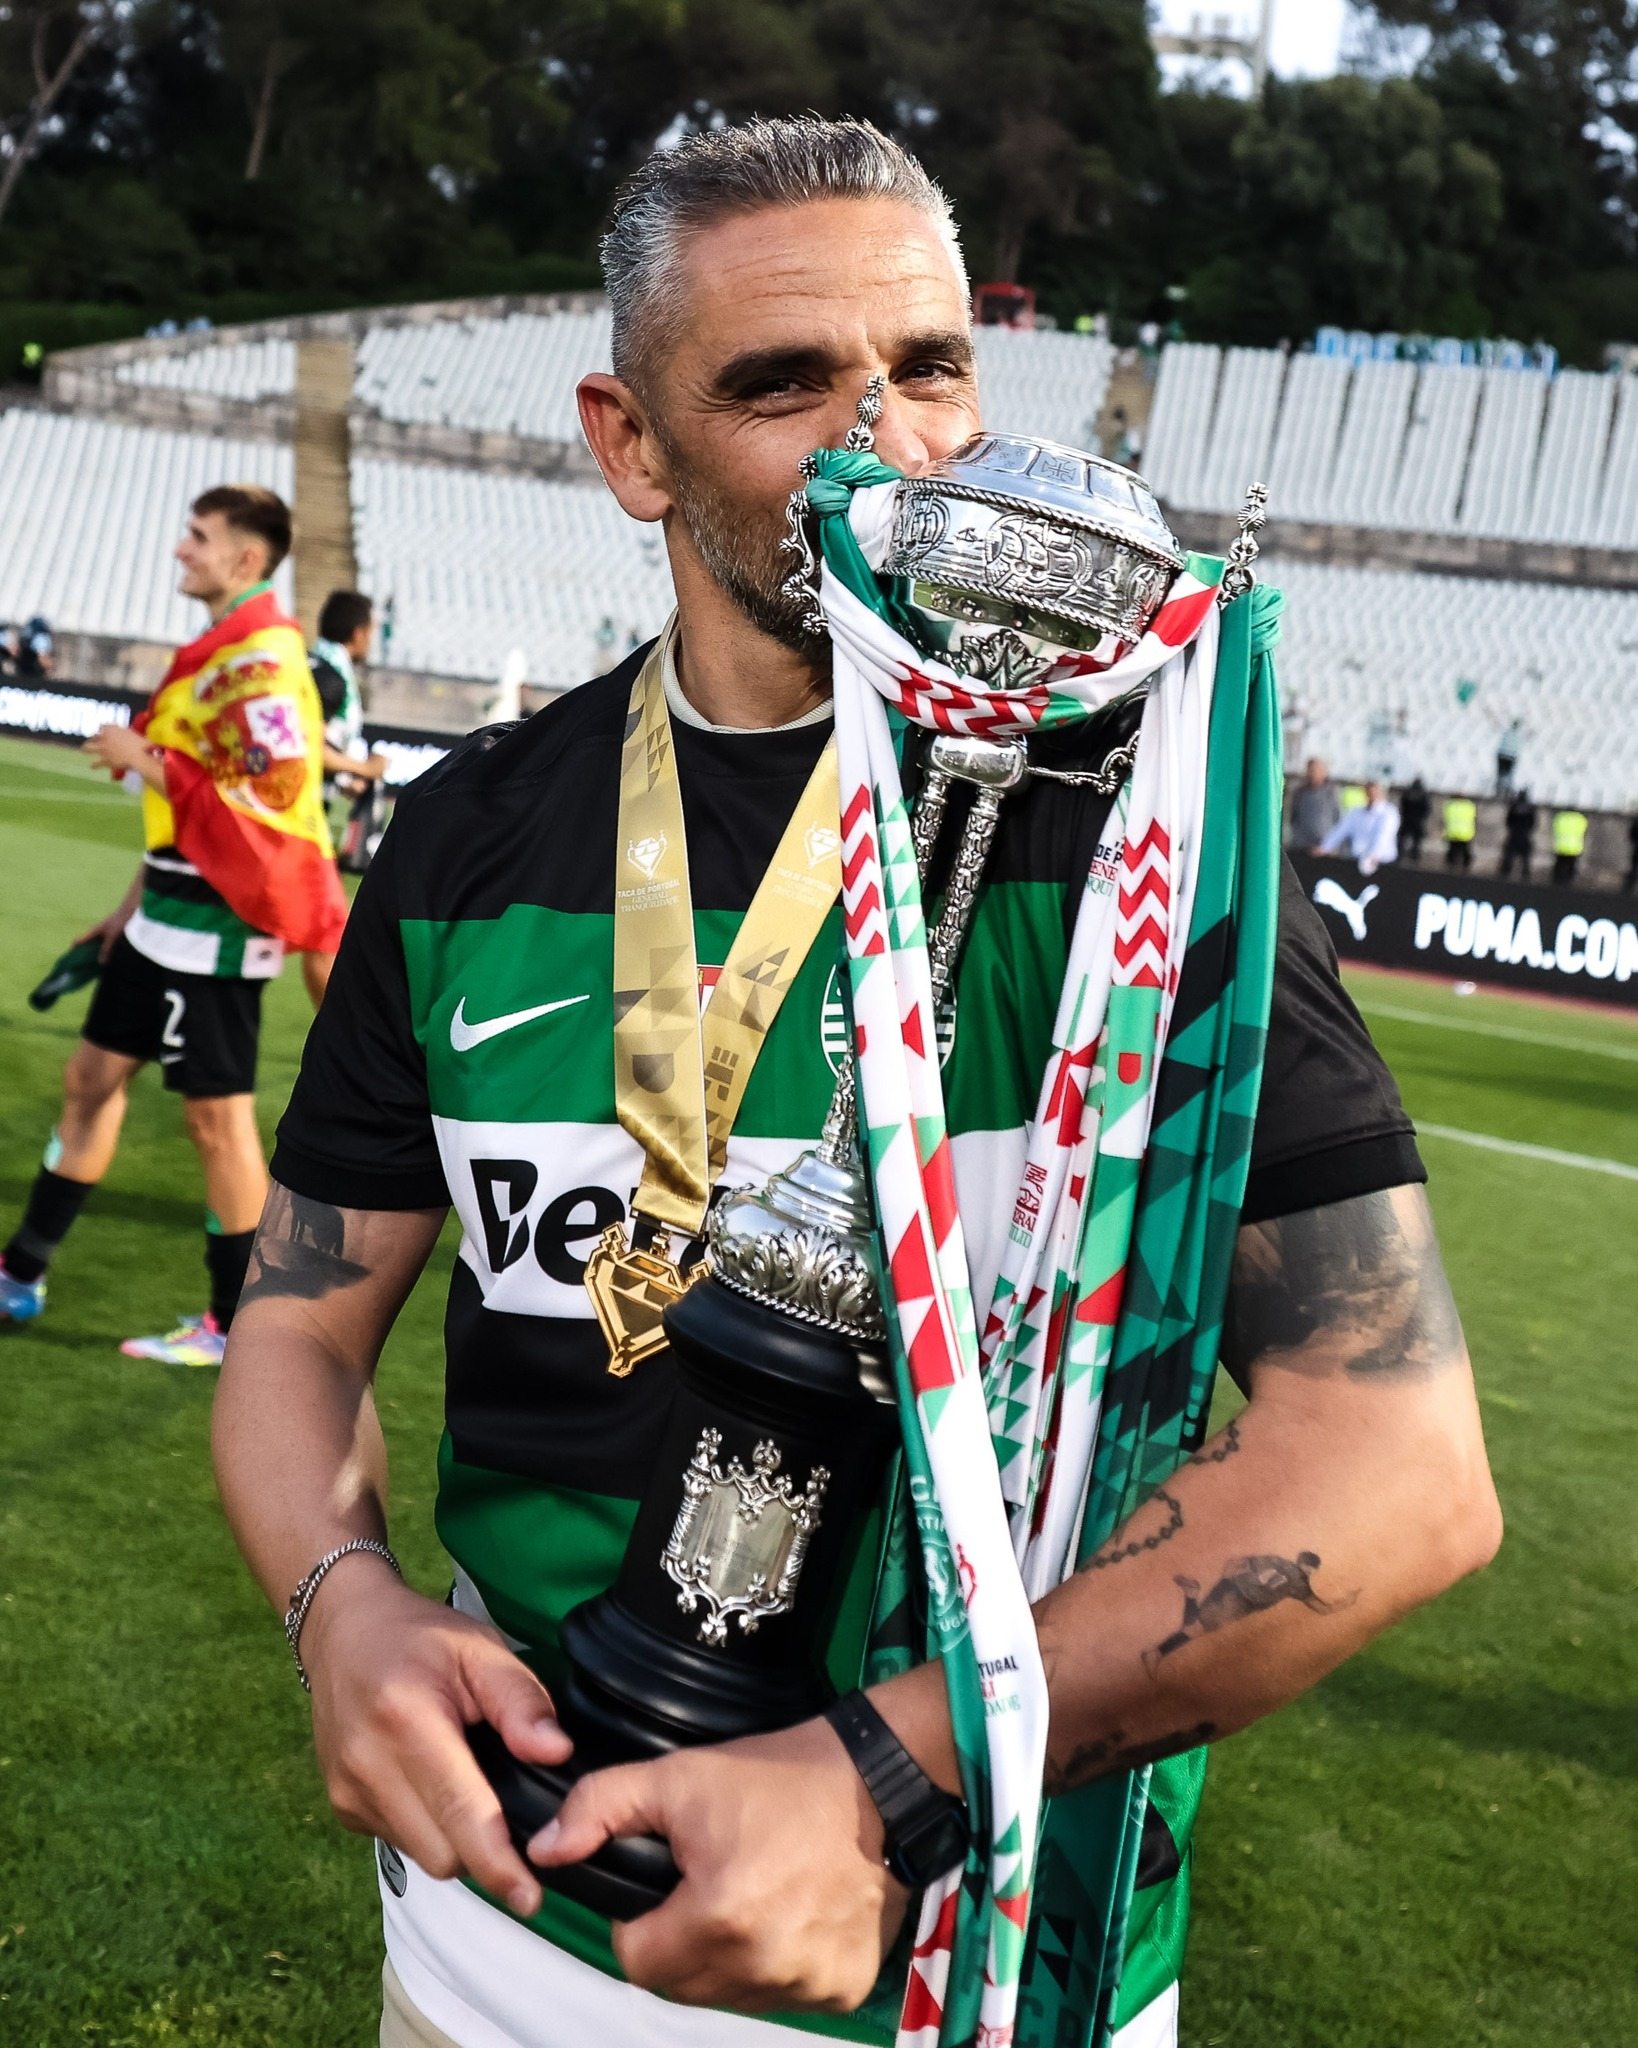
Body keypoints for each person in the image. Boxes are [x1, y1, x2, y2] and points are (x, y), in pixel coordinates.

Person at [213, 118, 1499, 2048]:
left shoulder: (1137, 847)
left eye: (929, 366)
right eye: (783, 384)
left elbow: (1397, 1462)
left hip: (967, 1968)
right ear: (632, 444)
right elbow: (301, 1324)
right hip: (489, 1955)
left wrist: (887, 1773)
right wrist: (341, 1599)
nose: (884, 439)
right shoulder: (472, 833)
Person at [0, 485, 345, 1361]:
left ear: (246, 558)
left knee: (216, 1125)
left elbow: (269, 795)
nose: (180, 549)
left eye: (198, 536)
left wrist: (143, 758)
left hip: (218, 928)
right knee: (89, 1079)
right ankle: (20, 1274)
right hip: (162, 915)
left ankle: (233, 1325)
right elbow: (193, 811)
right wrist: (125, 910)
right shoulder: (222, 651)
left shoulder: (265, 659)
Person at [304, 589, 386, 1007]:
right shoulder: (330, 679)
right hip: (299, 823)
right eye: (371, 630)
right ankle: (337, 1033)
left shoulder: (311, 664)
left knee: (318, 933)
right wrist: (364, 769)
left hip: (296, 817)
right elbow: (307, 748)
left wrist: (345, 778)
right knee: (325, 933)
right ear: (358, 633)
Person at [1318, 778, 1400, 875]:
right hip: (1357, 859)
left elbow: (1383, 836)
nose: (1372, 794)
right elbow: (1341, 830)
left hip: (1381, 862)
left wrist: (1373, 855)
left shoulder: (1389, 813)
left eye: (1375, 791)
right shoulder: (1356, 812)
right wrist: (1324, 847)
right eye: (1369, 791)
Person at [1286, 755, 1338, 853]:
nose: (1313, 773)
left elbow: (1337, 819)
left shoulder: (1331, 793)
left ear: (1324, 772)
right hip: (1301, 846)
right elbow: (1293, 818)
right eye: (1311, 770)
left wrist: (1329, 844)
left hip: (1323, 848)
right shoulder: (1299, 793)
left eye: (1317, 770)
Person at [1499, 790, 1537, 882]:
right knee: (1525, 860)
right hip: (1524, 835)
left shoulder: (1514, 807)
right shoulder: (1530, 808)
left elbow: (1508, 821)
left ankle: (1504, 875)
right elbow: (1532, 823)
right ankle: (1525, 876)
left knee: (1509, 857)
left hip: (1515, 835)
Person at [1551, 806, 1588, 886]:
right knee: (1571, 866)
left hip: (1561, 846)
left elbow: (1555, 828)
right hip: (1574, 847)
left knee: (1559, 865)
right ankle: (1569, 882)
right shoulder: (1580, 819)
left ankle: (1556, 881)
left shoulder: (1560, 817)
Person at [1399, 776, 1430, 864]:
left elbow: (1403, 805)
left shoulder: (1408, 793)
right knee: (1417, 841)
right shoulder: (1423, 794)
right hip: (1418, 821)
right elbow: (1426, 808)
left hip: (1407, 819)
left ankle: (1400, 854)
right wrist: (1422, 817)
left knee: (1402, 838)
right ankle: (1414, 856)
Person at [1443, 793, 1477, 870]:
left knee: (1452, 850)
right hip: (1465, 832)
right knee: (1464, 851)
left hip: (1452, 832)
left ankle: (1451, 865)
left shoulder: (1450, 805)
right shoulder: (1470, 806)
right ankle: (1465, 866)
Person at [1494, 715, 1525, 796]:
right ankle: (1505, 790)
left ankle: (1500, 790)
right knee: (1508, 775)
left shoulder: (1506, 732)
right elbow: (1519, 747)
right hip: (1510, 756)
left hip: (1503, 755)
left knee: (1501, 774)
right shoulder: (1518, 735)